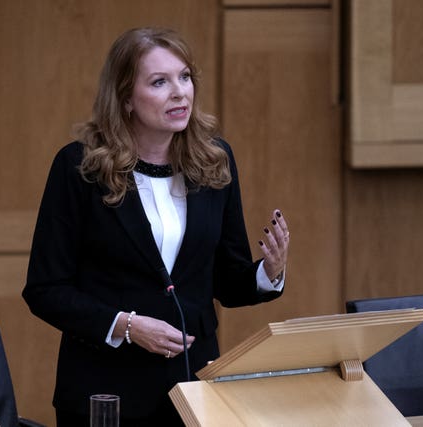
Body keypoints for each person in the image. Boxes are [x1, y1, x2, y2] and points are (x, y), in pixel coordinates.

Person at [23, 27, 289, 426]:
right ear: (126, 98)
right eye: (160, 82)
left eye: (184, 77)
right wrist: (126, 326)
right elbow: (45, 290)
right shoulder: (81, 168)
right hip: (106, 394)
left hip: (193, 389)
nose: (179, 92)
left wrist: (268, 273)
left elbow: (226, 282)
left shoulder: (214, 162)